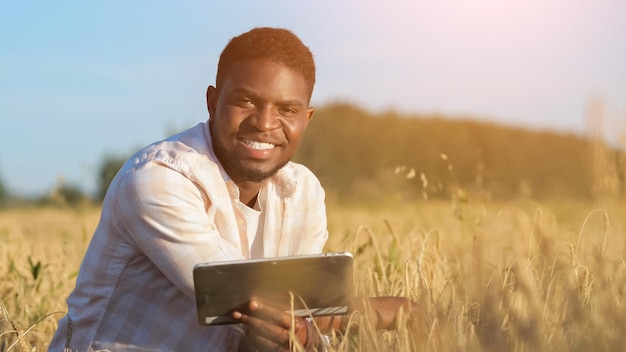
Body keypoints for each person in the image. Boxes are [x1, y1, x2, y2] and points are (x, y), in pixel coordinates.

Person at [49, 27, 414, 352]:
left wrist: (297, 333)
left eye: (287, 109)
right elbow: (237, 295)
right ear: (212, 102)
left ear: (307, 119)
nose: (265, 123)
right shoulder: (156, 178)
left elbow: (292, 323)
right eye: (246, 101)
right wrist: (377, 312)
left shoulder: (303, 192)